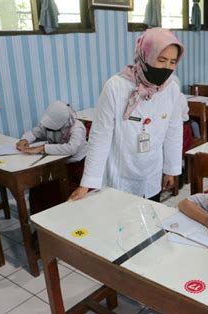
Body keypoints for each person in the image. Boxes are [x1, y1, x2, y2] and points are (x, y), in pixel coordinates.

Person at [69, 28, 186, 202]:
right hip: (120, 175)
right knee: (119, 225)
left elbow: (174, 131)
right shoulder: (116, 87)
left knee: (149, 221)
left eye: (172, 62)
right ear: (145, 55)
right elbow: (100, 136)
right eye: (161, 60)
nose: (167, 68)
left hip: (152, 174)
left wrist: (171, 169)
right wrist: (87, 183)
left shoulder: (171, 90)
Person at [16, 100, 87, 214]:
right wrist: (24, 140)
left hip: (74, 167)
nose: (49, 130)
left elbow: (72, 148)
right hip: (56, 164)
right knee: (36, 188)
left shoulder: (77, 127)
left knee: (52, 192)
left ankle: (54, 220)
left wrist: (43, 148)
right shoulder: (50, 123)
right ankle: (39, 224)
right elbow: (35, 132)